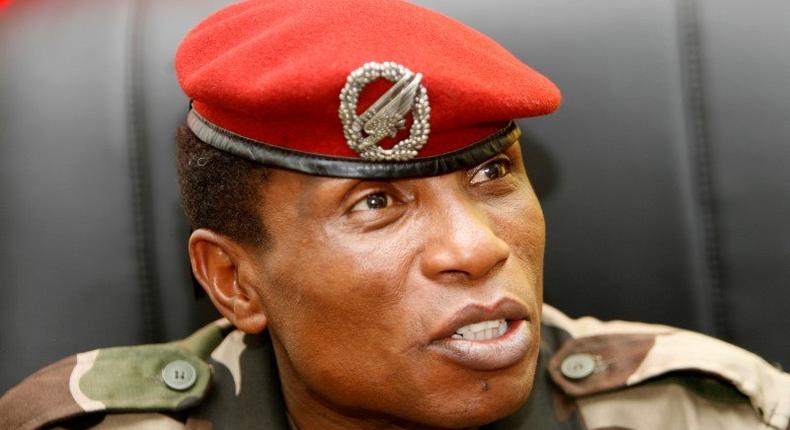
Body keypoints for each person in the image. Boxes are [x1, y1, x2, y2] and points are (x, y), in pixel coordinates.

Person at [1, 0, 788, 429]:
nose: (476, 247)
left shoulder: (708, 412)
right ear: (233, 282)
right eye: (377, 202)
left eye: (490, 174)